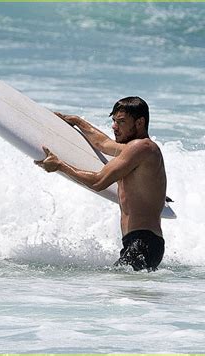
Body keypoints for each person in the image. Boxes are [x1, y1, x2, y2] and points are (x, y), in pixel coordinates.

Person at [34, 97, 166, 271]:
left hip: (143, 242)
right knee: (124, 293)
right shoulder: (134, 148)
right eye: (113, 121)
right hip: (141, 242)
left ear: (140, 122)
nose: (114, 126)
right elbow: (102, 143)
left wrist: (60, 166)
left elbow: (98, 182)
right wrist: (76, 121)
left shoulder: (142, 148)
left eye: (121, 122)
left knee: (116, 290)